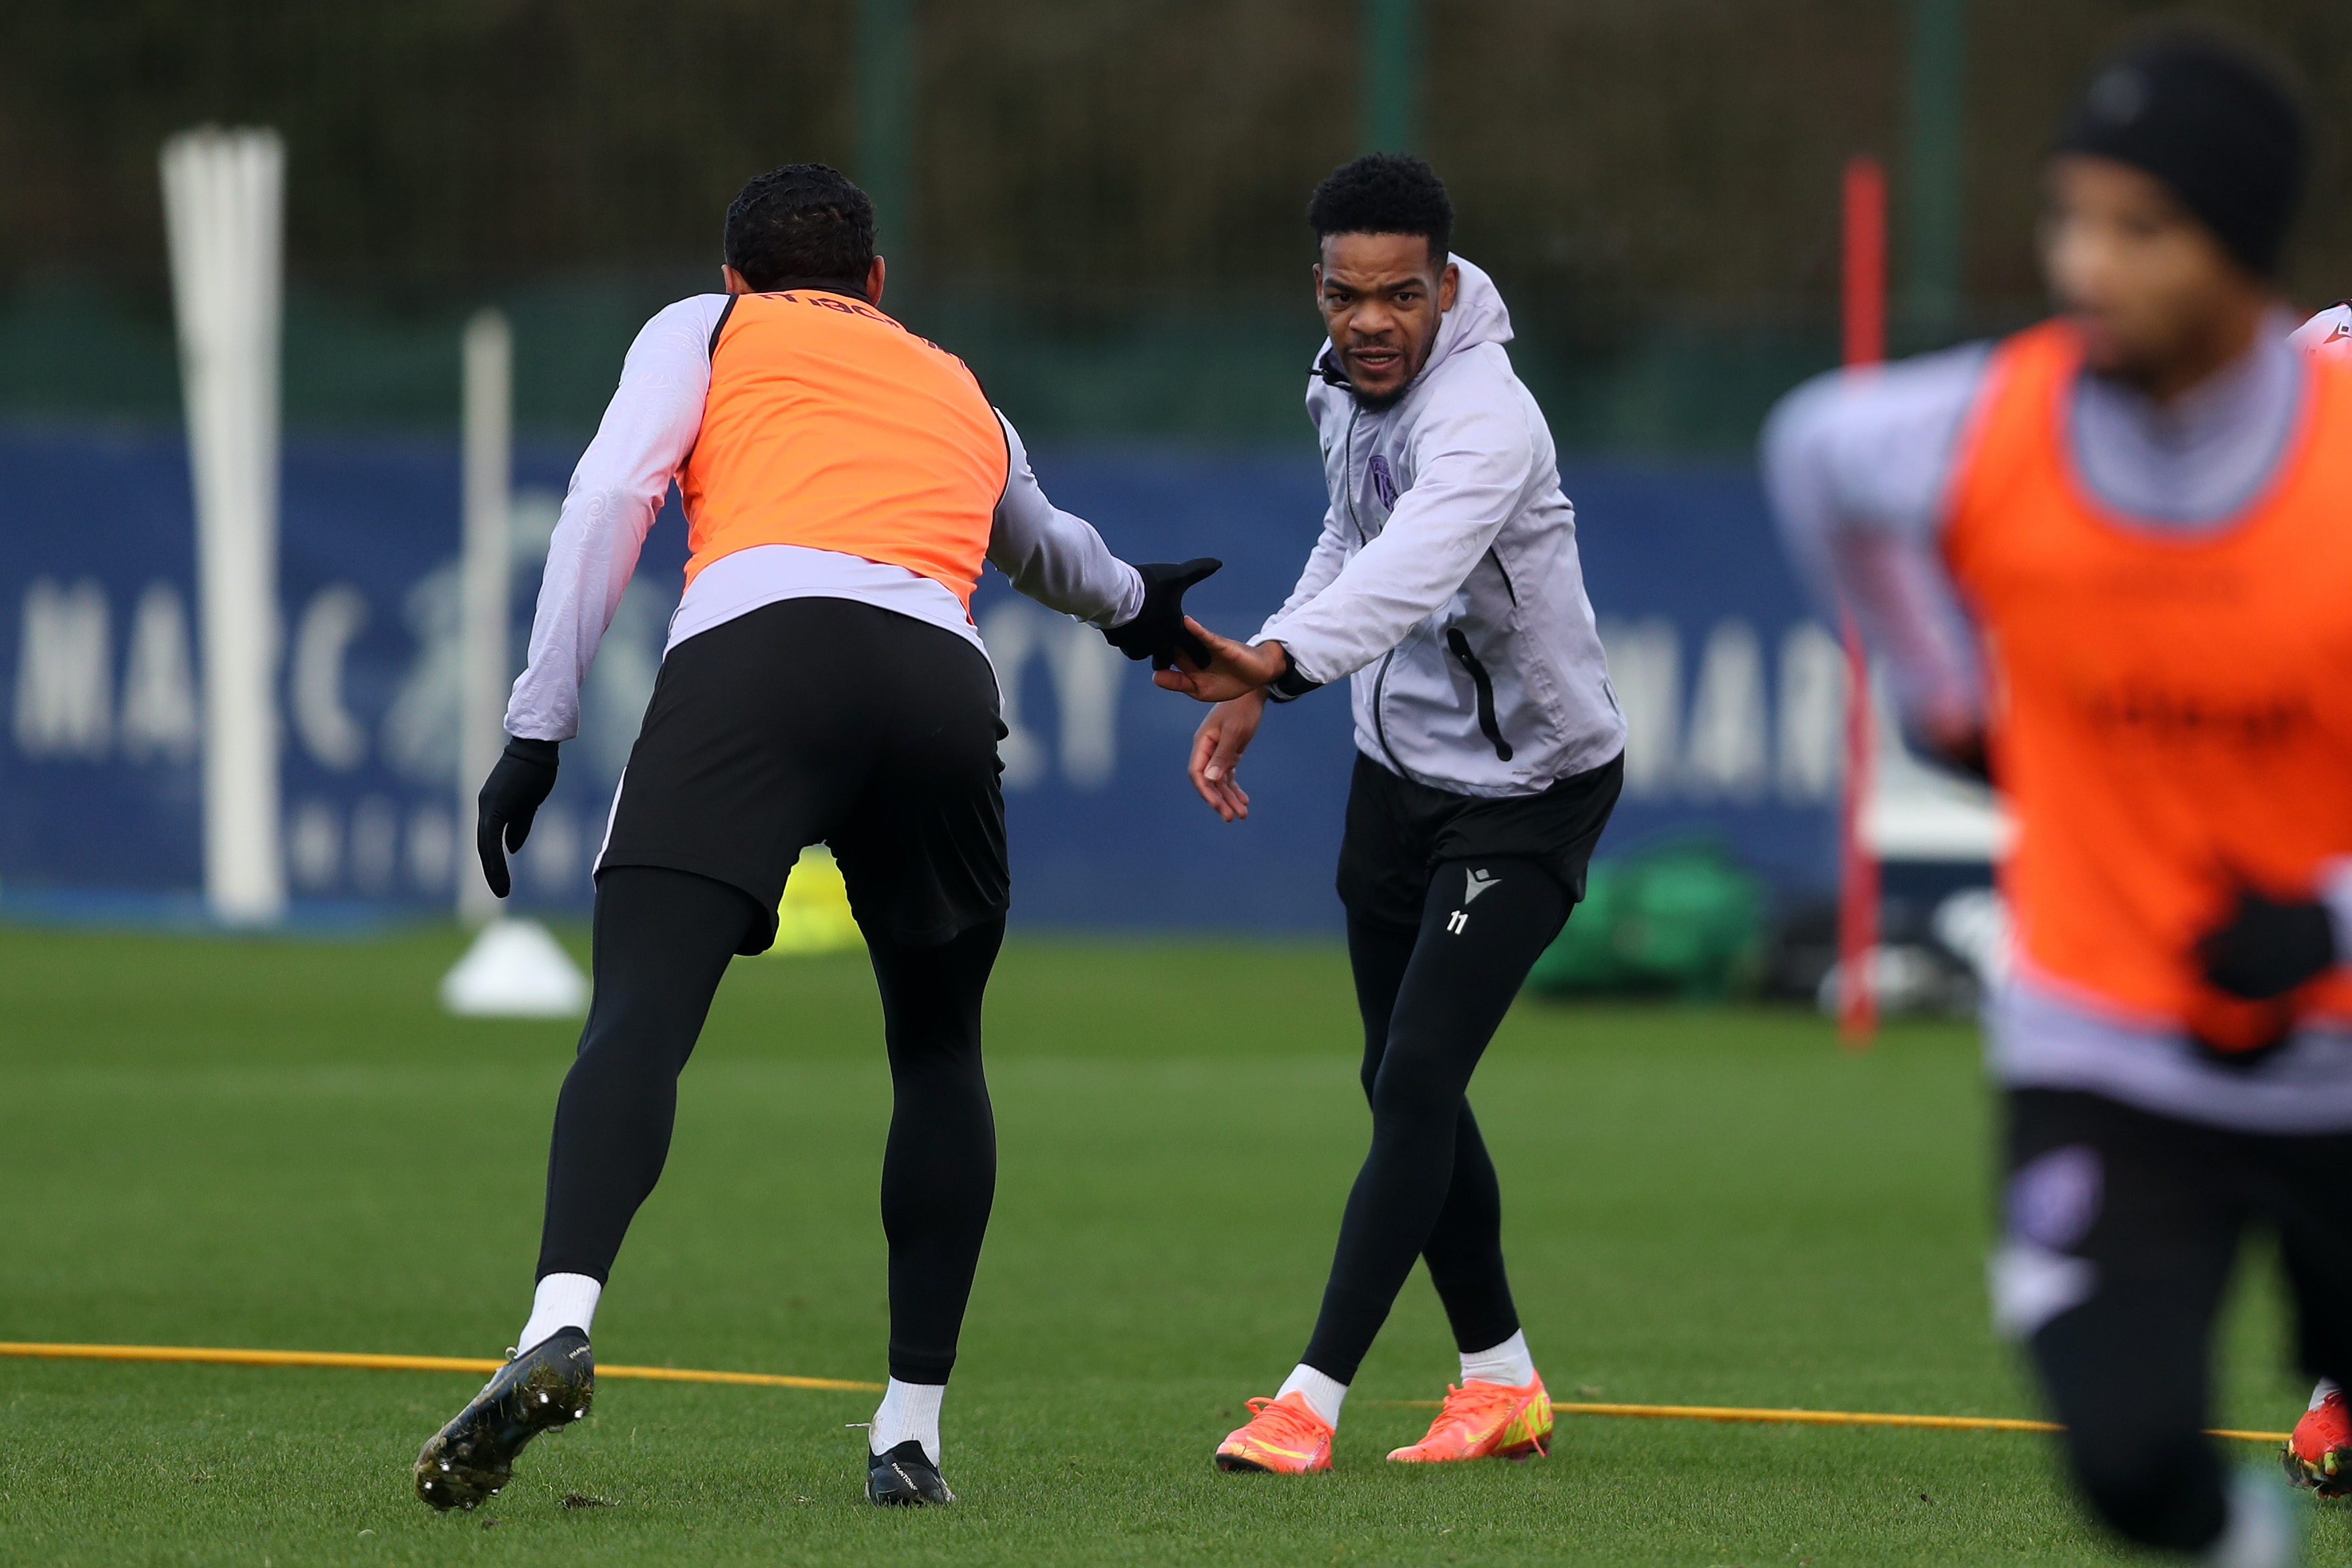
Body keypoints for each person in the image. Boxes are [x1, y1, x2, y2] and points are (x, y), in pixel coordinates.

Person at [410, 164, 1215, 1512]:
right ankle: (910, 1432)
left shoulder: (706, 330)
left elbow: (615, 496)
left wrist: (538, 724)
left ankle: (559, 1319)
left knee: (640, 1022)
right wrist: (1147, 609)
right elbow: (1050, 548)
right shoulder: (955, 380)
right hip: (939, 686)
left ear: (736, 278)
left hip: (754, 662)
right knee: (941, 1051)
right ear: (879, 286)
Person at [1764, 31, 2349, 1563]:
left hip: (2340, 1050)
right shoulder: (1991, 423)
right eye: (2067, 219)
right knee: (2132, 1461)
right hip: (2107, 1035)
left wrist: (2329, 913)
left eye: (2139, 230)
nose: (2087, 264)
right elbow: (1812, 453)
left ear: (2241, 253)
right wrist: (1945, 694)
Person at [1155, 153, 1626, 1473]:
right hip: (1399, 775)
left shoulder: (1489, 421)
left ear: (1449, 285)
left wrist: (1280, 666)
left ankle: (1311, 1395)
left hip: (1532, 790)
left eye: (1401, 295)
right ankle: (1503, 1381)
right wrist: (1264, 665)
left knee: (1419, 1074)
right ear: (1318, 287)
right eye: (1347, 294)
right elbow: (1351, 532)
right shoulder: (1340, 382)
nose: (1371, 321)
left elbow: (1414, 571)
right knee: (1396, 1078)